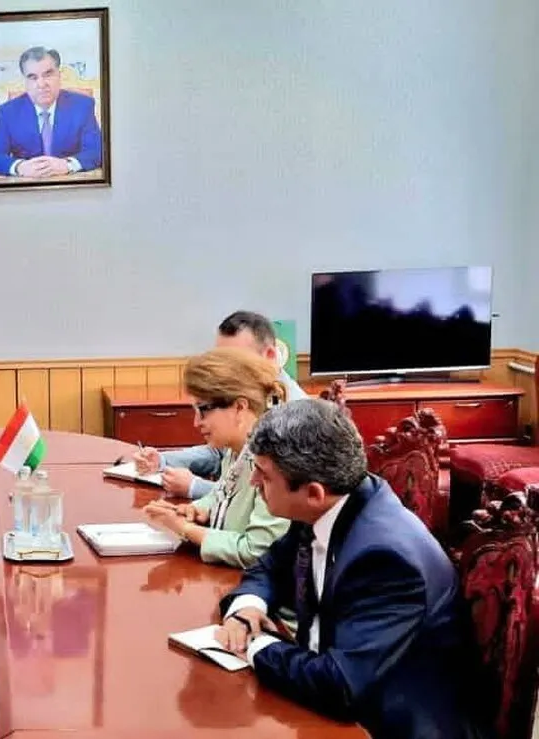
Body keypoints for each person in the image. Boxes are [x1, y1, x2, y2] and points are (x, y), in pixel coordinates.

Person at [213, 399, 488, 738]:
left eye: (264, 474)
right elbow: (270, 566)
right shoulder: (332, 502)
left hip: (390, 725)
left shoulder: (385, 560)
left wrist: (256, 646)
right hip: (335, 695)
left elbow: (339, 686)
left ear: (314, 492)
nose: (254, 481)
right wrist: (247, 609)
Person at [142, 348, 291, 569]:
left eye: (203, 410)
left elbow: (256, 551)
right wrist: (198, 509)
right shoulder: (235, 451)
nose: (196, 422)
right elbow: (220, 495)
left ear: (240, 407)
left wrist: (186, 529)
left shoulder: (275, 463)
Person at [134, 310, 307, 498]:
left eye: (234, 363)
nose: (223, 372)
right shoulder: (244, 398)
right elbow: (219, 454)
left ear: (270, 355)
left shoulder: (296, 419)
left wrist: (195, 487)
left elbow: (269, 497)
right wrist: (162, 460)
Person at [0, 46, 103, 178]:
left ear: (59, 76)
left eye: (48, 74)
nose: (41, 84)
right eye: (33, 77)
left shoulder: (82, 106)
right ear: (25, 81)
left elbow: (96, 151)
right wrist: (20, 167)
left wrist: (67, 165)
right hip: (28, 185)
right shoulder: (8, 112)